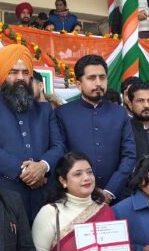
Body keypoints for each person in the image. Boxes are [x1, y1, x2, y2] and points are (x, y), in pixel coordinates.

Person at [0, 44, 64, 222]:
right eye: (13, 72)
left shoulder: (44, 110)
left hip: (45, 196)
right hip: (4, 194)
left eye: (25, 72)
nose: (20, 77)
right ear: (1, 76)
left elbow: (58, 146)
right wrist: (28, 172)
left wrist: (42, 166)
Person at [55, 54, 136, 203]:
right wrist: (83, 189)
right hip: (76, 198)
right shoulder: (63, 113)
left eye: (102, 77)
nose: (98, 83)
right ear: (79, 84)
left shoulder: (119, 113)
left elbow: (129, 156)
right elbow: (61, 155)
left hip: (116, 197)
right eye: (92, 78)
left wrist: (110, 191)